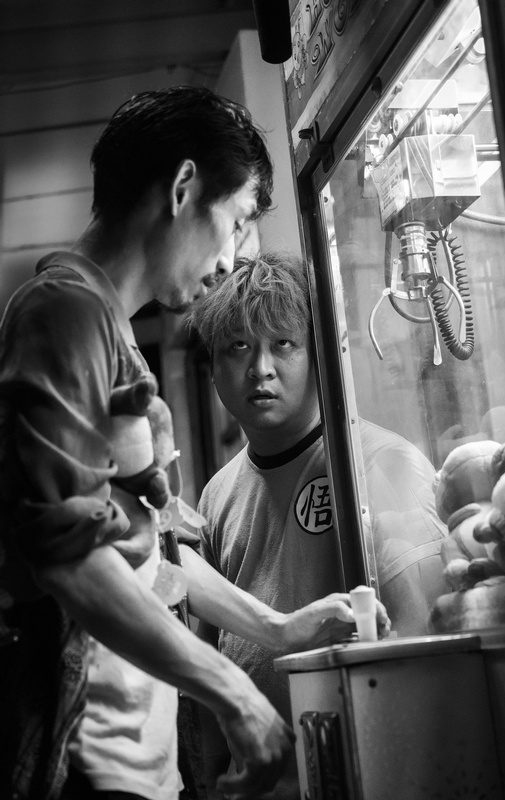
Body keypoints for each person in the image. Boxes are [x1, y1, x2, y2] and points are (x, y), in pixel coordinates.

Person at [0, 87, 373, 800]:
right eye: (234, 222)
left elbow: (147, 551)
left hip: (143, 769)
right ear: (183, 188)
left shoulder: (108, 331)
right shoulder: (63, 314)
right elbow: (70, 558)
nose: (230, 258)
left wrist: (278, 628)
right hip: (82, 768)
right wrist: (234, 693)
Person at [188, 251, 450, 799]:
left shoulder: (380, 463)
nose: (260, 368)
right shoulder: (216, 495)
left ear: (321, 355)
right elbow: (205, 669)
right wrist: (211, 781)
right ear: (213, 367)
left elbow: (427, 650)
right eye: (238, 347)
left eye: (283, 344)